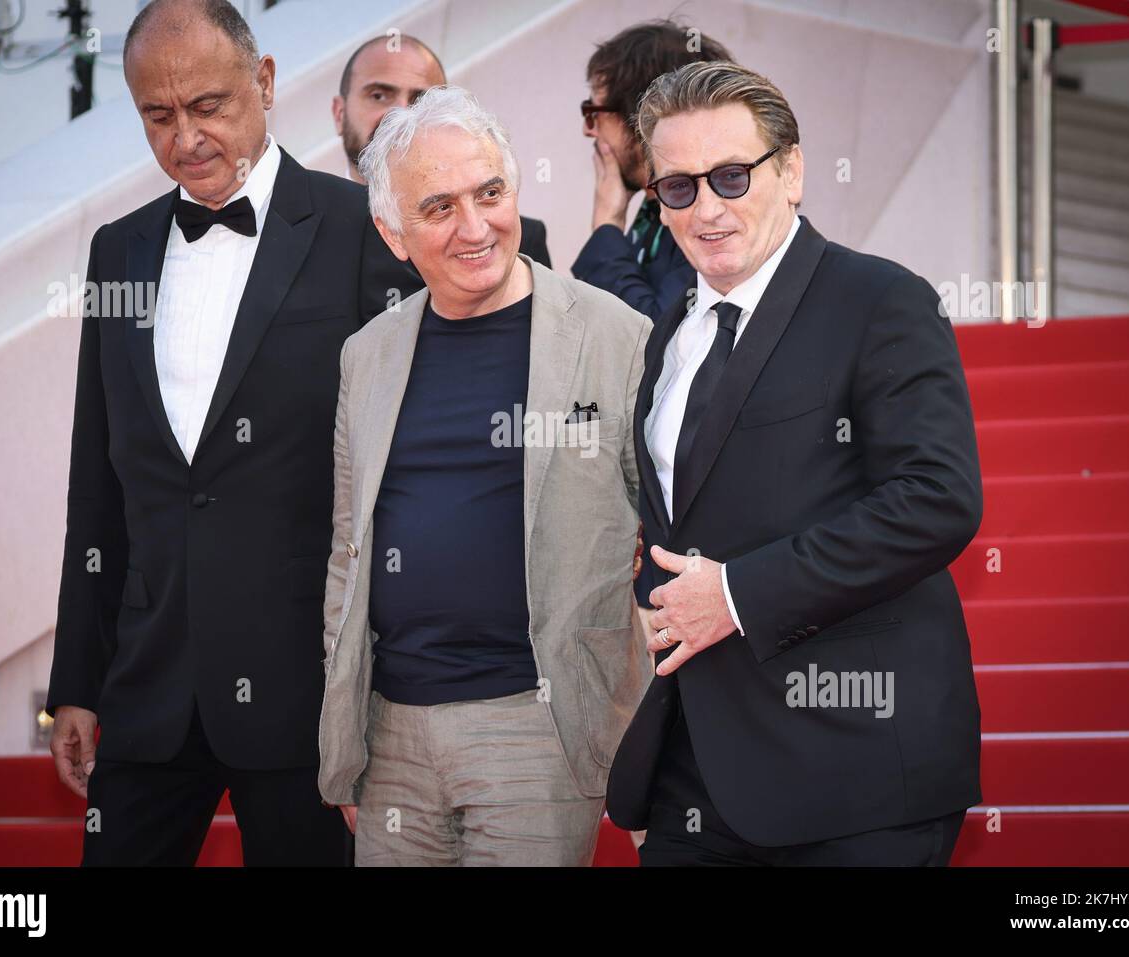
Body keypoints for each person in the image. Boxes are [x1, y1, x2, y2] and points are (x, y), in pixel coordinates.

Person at [44, 0, 421, 866]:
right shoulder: (119, 251)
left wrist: (388, 685)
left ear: (264, 83)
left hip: (307, 694)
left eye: (208, 106)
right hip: (148, 685)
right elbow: (96, 482)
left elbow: (396, 478)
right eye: (158, 115)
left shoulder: (361, 232)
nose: (185, 139)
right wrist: (77, 678)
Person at [605, 61, 984, 866]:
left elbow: (937, 498)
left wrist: (738, 594)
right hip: (696, 774)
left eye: (733, 177)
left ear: (793, 171)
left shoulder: (879, 300)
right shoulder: (669, 334)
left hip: (856, 774)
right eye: (679, 187)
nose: (708, 208)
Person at [317, 86, 652, 866]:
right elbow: (349, 548)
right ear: (392, 234)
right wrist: (347, 734)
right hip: (391, 729)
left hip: (539, 725)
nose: (476, 228)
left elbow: (669, 529)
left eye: (490, 193)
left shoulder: (617, 335)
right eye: (438, 208)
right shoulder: (366, 354)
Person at [332, 33, 552, 265]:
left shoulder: (514, 239)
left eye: (420, 100)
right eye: (379, 96)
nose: (400, 114)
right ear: (339, 113)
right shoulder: (310, 238)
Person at [571, 19, 731, 320]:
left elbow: (649, 334)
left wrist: (607, 225)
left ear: (638, 119)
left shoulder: (704, 215)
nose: (587, 130)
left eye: (593, 112)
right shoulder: (653, 211)